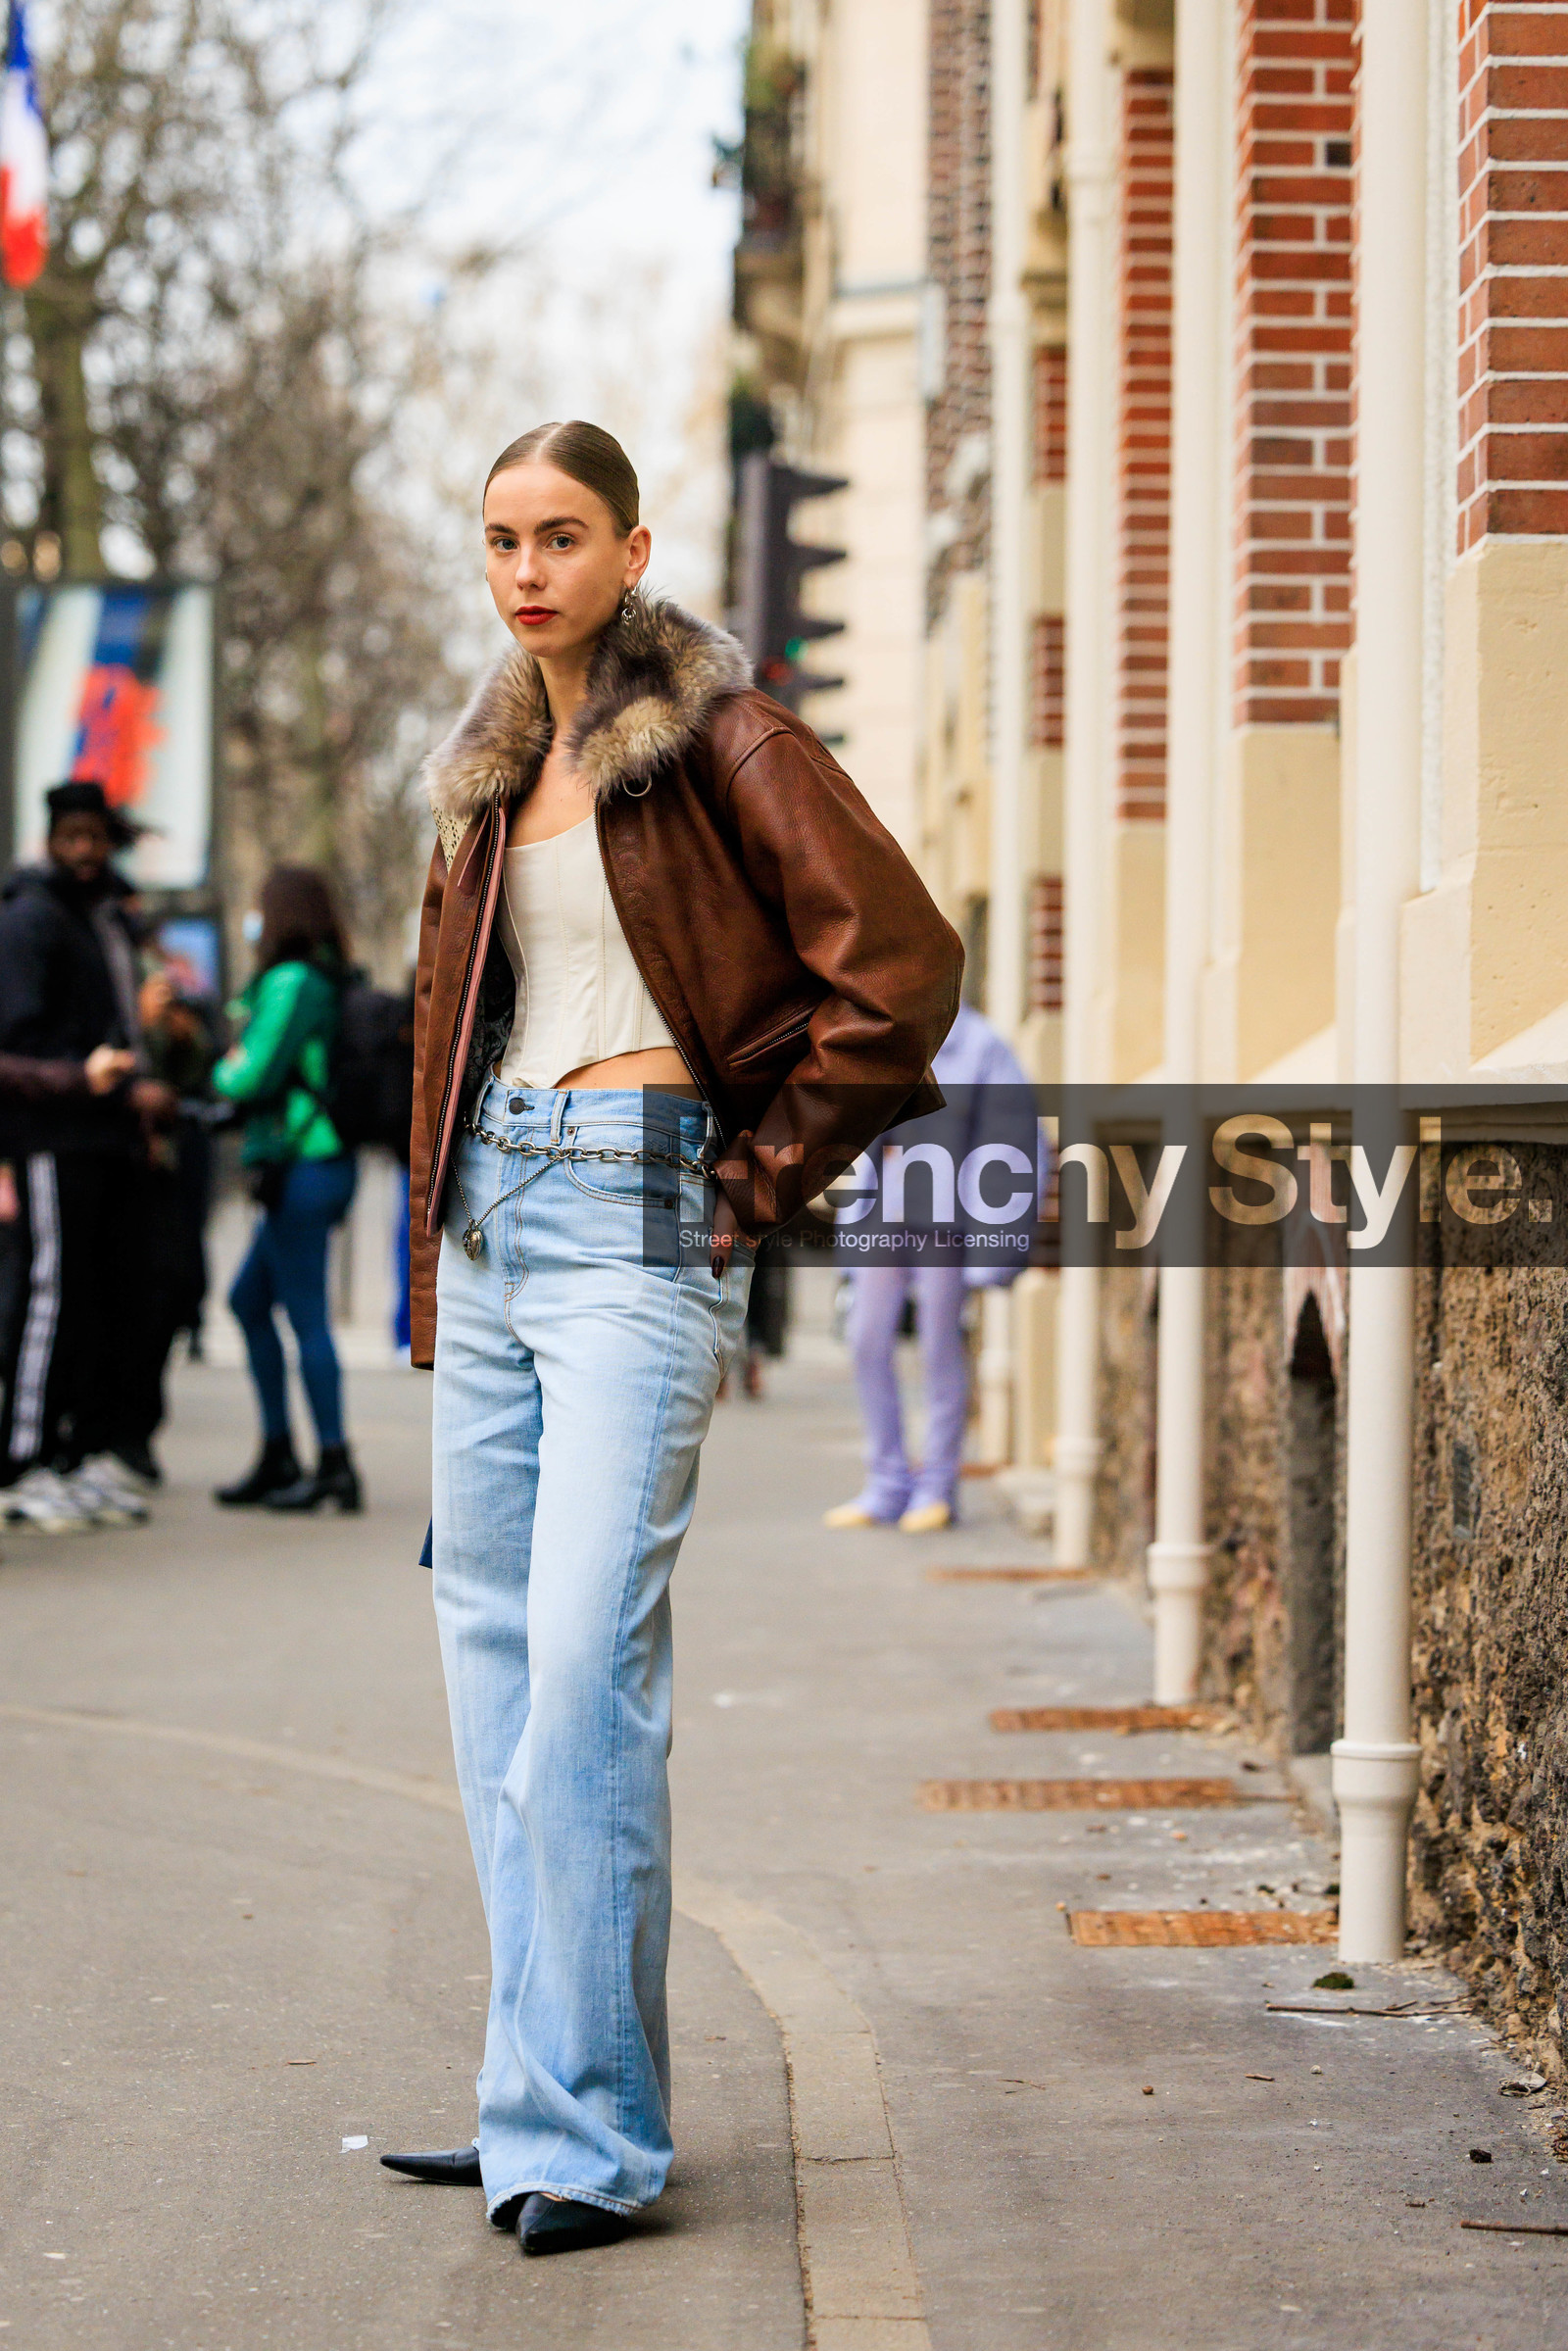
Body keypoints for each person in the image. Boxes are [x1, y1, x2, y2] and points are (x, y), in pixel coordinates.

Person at [381, 419, 960, 2256]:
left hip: (641, 1204)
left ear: (633, 550)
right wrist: (434, 1233)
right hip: (491, 1216)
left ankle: (591, 2132)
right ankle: (539, 2090)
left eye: (562, 534)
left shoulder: (729, 736)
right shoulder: (484, 773)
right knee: (495, 1681)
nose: (529, 568)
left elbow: (903, 969)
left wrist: (758, 1175)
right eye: (500, 538)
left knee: (578, 1675)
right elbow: (449, 1014)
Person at [0, 779, 176, 1533]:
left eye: (94, 838)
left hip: (104, 1141)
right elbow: (13, 1047)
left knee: (97, 1303)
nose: (82, 852)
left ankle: (70, 1457)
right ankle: (22, 1463)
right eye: (69, 837)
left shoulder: (103, 916)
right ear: (49, 839)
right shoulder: (32, 919)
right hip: (50, 1142)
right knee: (47, 1298)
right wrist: (87, 1078)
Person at [823, 998, 1038, 1533]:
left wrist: (994, 1242)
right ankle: (887, 1483)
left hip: (949, 1221)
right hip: (883, 1211)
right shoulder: (887, 1040)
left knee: (941, 1347)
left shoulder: (984, 1047)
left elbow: (1014, 1143)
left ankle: (937, 1489)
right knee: (866, 1338)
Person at [211, 866, 362, 1513]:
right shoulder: (317, 977)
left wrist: (222, 1064)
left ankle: (332, 1462)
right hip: (311, 1164)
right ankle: (280, 1450)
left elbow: (249, 1075)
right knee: (249, 1300)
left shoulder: (293, 981)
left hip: (307, 1164)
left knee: (304, 1313)